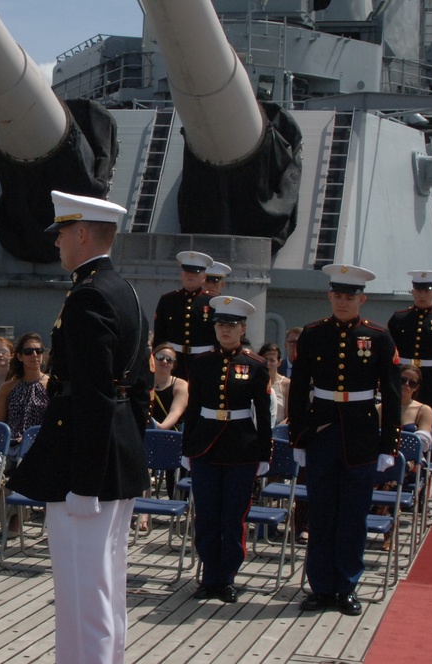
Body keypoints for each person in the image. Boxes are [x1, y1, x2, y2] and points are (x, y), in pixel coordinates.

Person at [8, 191, 151, 664]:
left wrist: (85, 482)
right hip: (116, 453)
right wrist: (127, 447)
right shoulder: (125, 290)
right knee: (106, 582)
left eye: (63, 233)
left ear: (83, 234)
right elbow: (140, 385)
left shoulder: (88, 295)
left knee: (81, 587)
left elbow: (90, 394)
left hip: (84, 465)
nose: (58, 244)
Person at [289, 264, 400, 617]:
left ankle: (347, 586)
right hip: (322, 431)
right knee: (321, 513)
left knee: (353, 515)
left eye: (349, 296)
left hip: (361, 433)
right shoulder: (312, 333)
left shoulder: (379, 337)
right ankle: (321, 587)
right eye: (337, 295)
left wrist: (388, 445)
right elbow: (298, 390)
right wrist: (298, 437)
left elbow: (393, 394)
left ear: (361, 299)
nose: (342, 301)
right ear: (329, 296)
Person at [183, 296, 272, 603]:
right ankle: (209, 576)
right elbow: (193, 408)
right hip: (206, 447)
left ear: (242, 328)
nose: (225, 331)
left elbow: (263, 412)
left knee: (233, 517)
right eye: (220, 324)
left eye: (231, 326)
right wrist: (187, 447)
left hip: (241, 448)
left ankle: (227, 578)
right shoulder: (202, 363)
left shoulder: (255, 365)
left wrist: (264, 453)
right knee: (207, 515)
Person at [0, 332, 49, 533]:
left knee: (24, 469)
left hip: (39, 446)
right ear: (19, 356)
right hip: (11, 445)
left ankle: (14, 519)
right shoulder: (8, 388)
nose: (35, 356)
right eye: (29, 351)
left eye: (38, 351)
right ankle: (16, 513)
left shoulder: (51, 386)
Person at [375, 363, 432, 550]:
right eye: (402, 380)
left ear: (417, 388)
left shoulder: (423, 410)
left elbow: (423, 441)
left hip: (411, 463)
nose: (406, 385)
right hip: (383, 458)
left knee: (393, 475)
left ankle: (388, 528)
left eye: (412, 383)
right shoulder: (381, 408)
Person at [387, 270, 432, 410]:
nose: (422, 295)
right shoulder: (399, 318)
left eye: (427, 291)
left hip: (431, 382)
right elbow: (388, 354)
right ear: (413, 292)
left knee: (429, 421)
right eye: (419, 291)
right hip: (402, 379)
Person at [153, 250, 216, 379]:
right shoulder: (168, 300)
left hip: (203, 362)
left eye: (195, 273)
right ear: (181, 274)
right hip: (173, 362)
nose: (190, 276)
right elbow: (160, 335)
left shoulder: (212, 302)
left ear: (204, 277)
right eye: (187, 272)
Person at [147, 343, 189, 514]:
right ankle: (143, 513)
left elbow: (175, 413)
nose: (164, 361)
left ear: (174, 364)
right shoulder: (143, 381)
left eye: (169, 360)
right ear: (152, 359)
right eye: (160, 357)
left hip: (170, 435)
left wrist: (159, 427)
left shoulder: (180, 385)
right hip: (146, 432)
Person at [259, 342, 290, 425]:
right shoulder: (253, 382)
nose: (268, 364)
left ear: (279, 362)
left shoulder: (286, 384)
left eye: (272, 360)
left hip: (278, 431)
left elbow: (290, 417)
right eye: (265, 360)